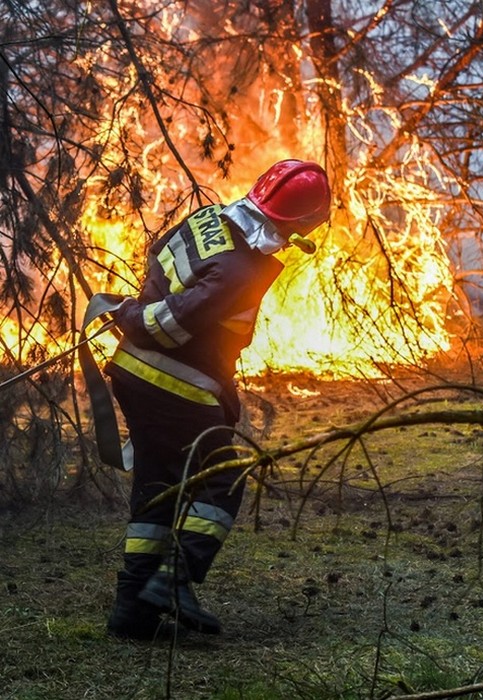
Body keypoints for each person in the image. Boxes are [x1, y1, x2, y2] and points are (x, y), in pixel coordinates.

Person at [104, 159, 331, 640]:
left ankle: (133, 613)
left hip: (135, 373)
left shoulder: (208, 218)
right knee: (222, 478)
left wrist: (136, 310)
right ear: (300, 223)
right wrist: (129, 316)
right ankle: (174, 580)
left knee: (159, 484)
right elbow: (168, 328)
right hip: (170, 384)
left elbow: (157, 258)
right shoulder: (240, 270)